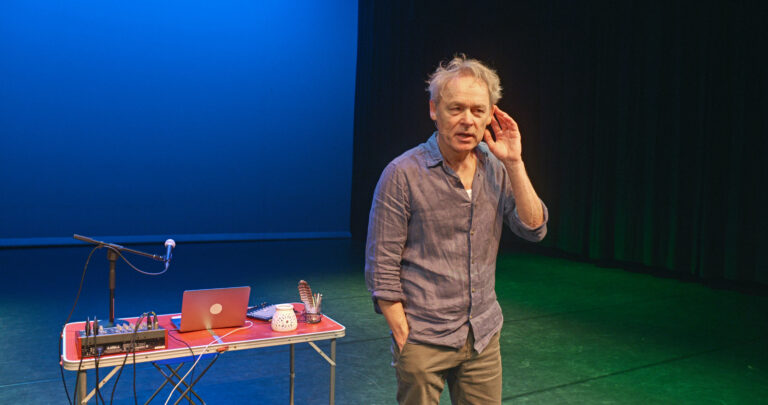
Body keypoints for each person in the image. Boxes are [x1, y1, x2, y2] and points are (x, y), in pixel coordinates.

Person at [364, 55, 549, 404]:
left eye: (478, 111)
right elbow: (381, 266)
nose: (467, 120)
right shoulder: (402, 174)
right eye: (456, 109)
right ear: (434, 110)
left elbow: (533, 228)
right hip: (423, 337)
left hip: (482, 336)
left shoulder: (496, 167)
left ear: (491, 115)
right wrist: (403, 334)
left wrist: (514, 162)